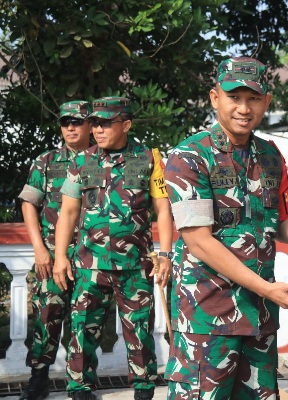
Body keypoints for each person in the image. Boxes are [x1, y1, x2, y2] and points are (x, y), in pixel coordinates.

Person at [163, 56, 288, 400]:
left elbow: (284, 224)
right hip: (208, 318)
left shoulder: (271, 155)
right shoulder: (189, 156)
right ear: (214, 98)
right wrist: (267, 289)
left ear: (267, 102)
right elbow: (199, 243)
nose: (244, 108)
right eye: (234, 97)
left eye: (253, 98)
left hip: (260, 317)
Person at [53, 97, 173, 400]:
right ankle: (79, 390)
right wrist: (59, 258)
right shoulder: (81, 161)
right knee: (81, 331)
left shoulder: (149, 159)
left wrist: (167, 255)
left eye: (106, 122)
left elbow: (163, 208)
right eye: (94, 123)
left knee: (140, 331)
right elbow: (67, 212)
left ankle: (144, 389)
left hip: (135, 264)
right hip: (89, 265)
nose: (97, 129)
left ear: (126, 125)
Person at [17, 101, 93, 400]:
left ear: (90, 125)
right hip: (51, 254)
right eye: (65, 122)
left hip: (89, 256)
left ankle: (81, 384)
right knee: (46, 318)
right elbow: (28, 203)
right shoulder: (46, 161)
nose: (70, 128)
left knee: (86, 322)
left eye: (77, 121)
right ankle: (38, 381)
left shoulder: (101, 162)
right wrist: (40, 250)